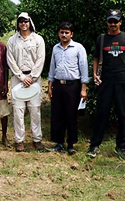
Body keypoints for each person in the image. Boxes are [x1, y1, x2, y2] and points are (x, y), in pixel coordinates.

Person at [87, 9, 125, 160]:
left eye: (115, 21)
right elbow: (96, 58)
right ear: (107, 22)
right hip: (105, 81)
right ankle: (94, 145)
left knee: (123, 115)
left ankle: (121, 147)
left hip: (123, 81)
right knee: (101, 114)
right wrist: (94, 73)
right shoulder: (102, 39)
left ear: (120, 22)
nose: (113, 24)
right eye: (110, 21)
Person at [46, 22, 88, 155]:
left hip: (72, 86)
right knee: (57, 114)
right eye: (61, 32)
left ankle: (71, 144)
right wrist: (50, 86)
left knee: (71, 115)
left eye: (66, 32)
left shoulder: (78, 48)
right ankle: (59, 143)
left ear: (71, 34)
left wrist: (83, 88)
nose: (64, 35)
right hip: (58, 85)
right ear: (59, 33)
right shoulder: (55, 48)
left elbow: (84, 68)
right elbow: (52, 67)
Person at [6, 12, 46, 152]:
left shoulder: (38, 40)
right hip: (18, 79)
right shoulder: (12, 41)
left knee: (35, 110)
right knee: (18, 111)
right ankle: (19, 140)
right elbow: (10, 60)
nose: (23, 24)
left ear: (30, 23)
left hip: (34, 79)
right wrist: (22, 77)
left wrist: (32, 77)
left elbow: (41, 59)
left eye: (26, 21)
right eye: (21, 21)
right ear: (18, 23)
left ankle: (37, 139)